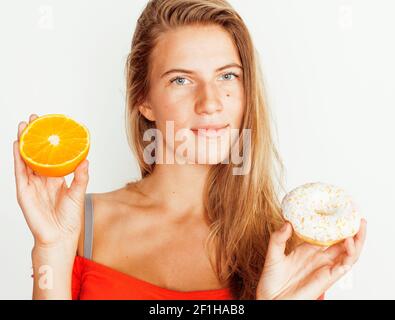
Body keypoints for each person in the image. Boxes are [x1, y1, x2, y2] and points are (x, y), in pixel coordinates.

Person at [13, 0, 366, 300]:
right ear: (144, 100)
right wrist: (51, 250)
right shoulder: (77, 226)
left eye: (227, 76)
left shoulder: (284, 247)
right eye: (181, 80)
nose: (210, 103)